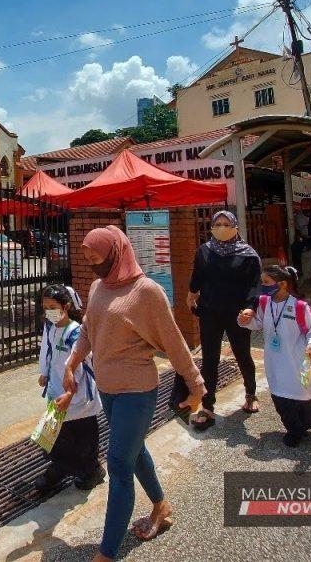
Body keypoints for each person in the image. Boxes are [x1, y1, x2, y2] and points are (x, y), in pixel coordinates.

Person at [63, 226, 203, 561]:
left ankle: (107, 552)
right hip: (108, 391)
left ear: (116, 252)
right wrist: (71, 363)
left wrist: (196, 386)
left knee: (118, 463)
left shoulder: (146, 292)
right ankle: (161, 505)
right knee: (135, 452)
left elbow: (174, 342)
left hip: (138, 392)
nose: (92, 263)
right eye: (87, 258)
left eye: (97, 257)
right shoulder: (98, 286)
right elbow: (87, 331)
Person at [183, 211, 262, 430]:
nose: (221, 227)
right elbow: (197, 277)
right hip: (210, 312)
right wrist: (191, 295)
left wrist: (250, 307)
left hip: (237, 314)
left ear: (235, 227)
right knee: (209, 359)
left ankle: (250, 394)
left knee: (243, 355)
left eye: (226, 224)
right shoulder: (205, 251)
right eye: (217, 224)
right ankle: (207, 406)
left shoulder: (248, 255)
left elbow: (254, 285)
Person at [238, 265, 311, 447]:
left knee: (304, 394)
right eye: (262, 282)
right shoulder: (264, 303)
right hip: (275, 362)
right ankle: (293, 430)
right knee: (280, 397)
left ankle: (308, 420)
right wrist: (245, 321)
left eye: (266, 282)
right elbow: (258, 324)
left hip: (298, 361)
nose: (263, 286)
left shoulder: (299, 307)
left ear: (283, 284)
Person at [35, 284, 105, 492]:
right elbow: (46, 350)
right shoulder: (50, 327)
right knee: (50, 438)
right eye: (45, 307)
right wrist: (45, 372)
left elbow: (82, 367)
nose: (49, 312)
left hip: (77, 398)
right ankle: (66, 469)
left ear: (65, 307)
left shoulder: (75, 333)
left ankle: (87, 472)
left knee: (80, 440)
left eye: (53, 307)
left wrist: (69, 393)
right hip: (57, 393)